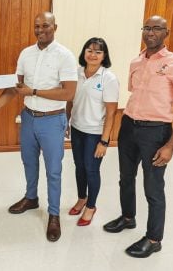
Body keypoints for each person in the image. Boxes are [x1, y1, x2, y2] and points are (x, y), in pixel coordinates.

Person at [103, 15, 173, 258]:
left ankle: (154, 238)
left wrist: (171, 146)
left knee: (153, 187)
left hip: (156, 131)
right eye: (147, 27)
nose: (150, 32)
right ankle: (127, 217)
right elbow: (135, 94)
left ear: (167, 32)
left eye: (157, 28)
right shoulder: (136, 61)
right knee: (126, 177)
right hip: (129, 125)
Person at [0, 12, 77, 242]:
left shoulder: (65, 56)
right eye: (37, 26)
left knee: (53, 170)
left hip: (52, 119)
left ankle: (54, 214)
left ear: (55, 26)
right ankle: (31, 198)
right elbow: (14, 87)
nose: (40, 30)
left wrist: (34, 91)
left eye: (45, 25)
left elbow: (69, 92)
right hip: (28, 118)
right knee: (28, 161)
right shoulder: (26, 54)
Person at [66, 37, 119, 226]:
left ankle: (91, 206)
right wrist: (67, 121)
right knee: (79, 167)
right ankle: (82, 198)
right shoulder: (76, 73)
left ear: (104, 56)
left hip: (95, 133)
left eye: (98, 52)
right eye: (89, 50)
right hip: (77, 129)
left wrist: (104, 141)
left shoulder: (108, 78)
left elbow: (111, 113)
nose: (93, 54)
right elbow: (69, 100)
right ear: (84, 53)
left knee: (91, 169)